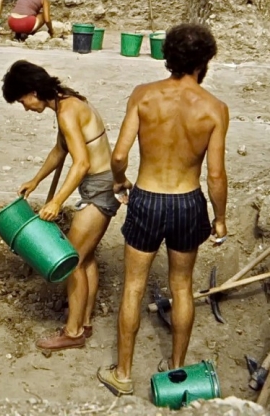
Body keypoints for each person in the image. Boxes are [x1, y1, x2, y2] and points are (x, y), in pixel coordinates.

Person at [97, 23, 228, 397]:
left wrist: (119, 181)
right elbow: (215, 175)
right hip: (187, 201)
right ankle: (175, 371)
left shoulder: (144, 95)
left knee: (133, 286)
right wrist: (219, 218)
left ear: (167, 56)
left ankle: (123, 374)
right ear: (205, 60)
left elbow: (118, 155)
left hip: (148, 198)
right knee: (182, 286)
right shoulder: (215, 109)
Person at [2, 61, 121, 353]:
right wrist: (36, 180)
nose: (25, 108)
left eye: (22, 101)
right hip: (101, 184)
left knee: (72, 261)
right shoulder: (66, 101)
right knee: (86, 258)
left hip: (99, 188)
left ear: (33, 92)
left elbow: (81, 163)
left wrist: (57, 202)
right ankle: (85, 321)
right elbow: (60, 150)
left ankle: (73, 332)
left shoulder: (67, 112)